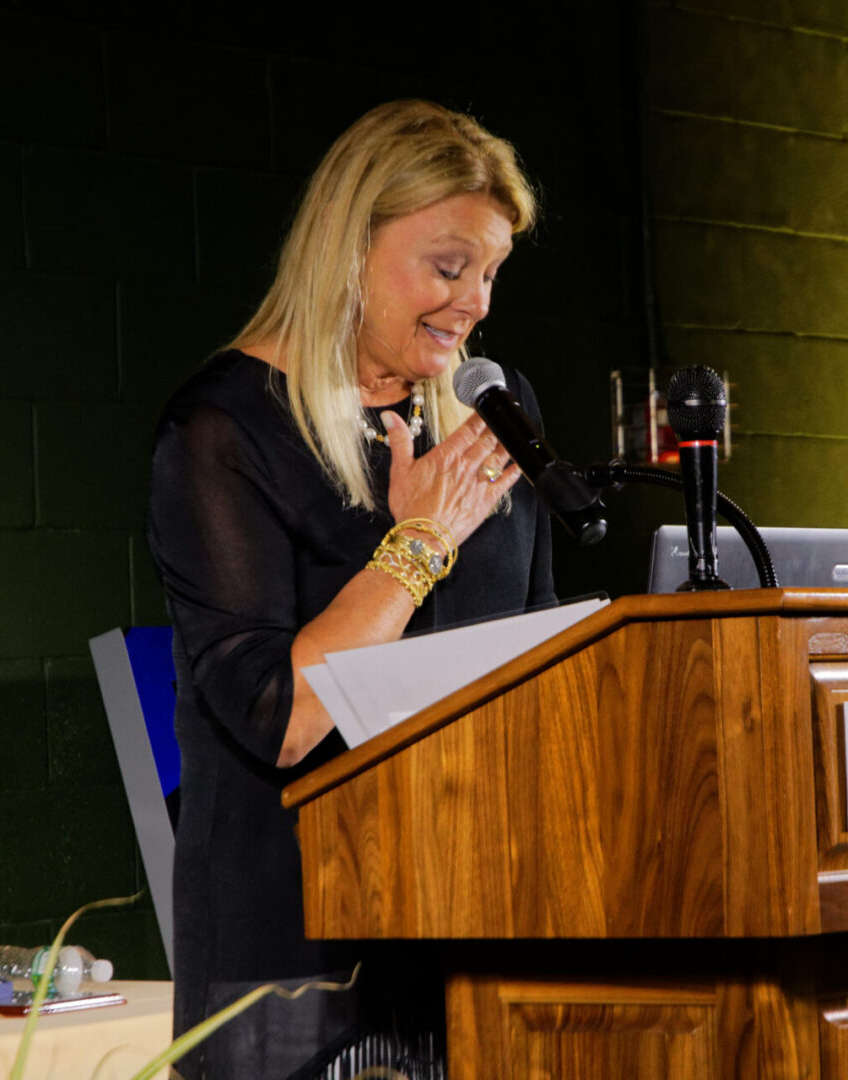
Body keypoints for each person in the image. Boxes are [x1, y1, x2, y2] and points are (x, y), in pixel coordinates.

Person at [146, 100, 555, 1079]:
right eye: (449, 266)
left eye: (490, 273)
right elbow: (283, 719)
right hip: (294, 952)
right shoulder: (223, 431)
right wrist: (416, 544)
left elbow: (545, 657)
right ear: (348, 248)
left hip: (473, 920)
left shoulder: (491, 414)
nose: (476, 302)